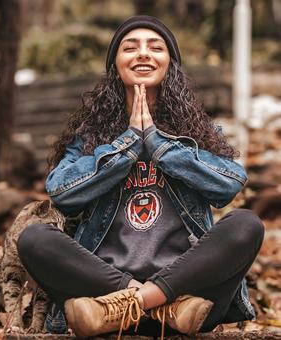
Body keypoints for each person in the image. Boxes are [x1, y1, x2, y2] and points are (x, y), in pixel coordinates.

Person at [17, 15, 264, 338]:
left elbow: (229, 184)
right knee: (34, 238)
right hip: (102, 289)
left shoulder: (198, 133)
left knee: (247, 225)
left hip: (189, 295)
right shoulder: (90, 136)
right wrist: (129, 143)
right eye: (130, 47)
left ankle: (137, 303)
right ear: (116, 66)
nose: (143, 54)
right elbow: (61, 192)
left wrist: (159, 145)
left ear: (170, 64)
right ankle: (151, 305)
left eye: (155, 47)